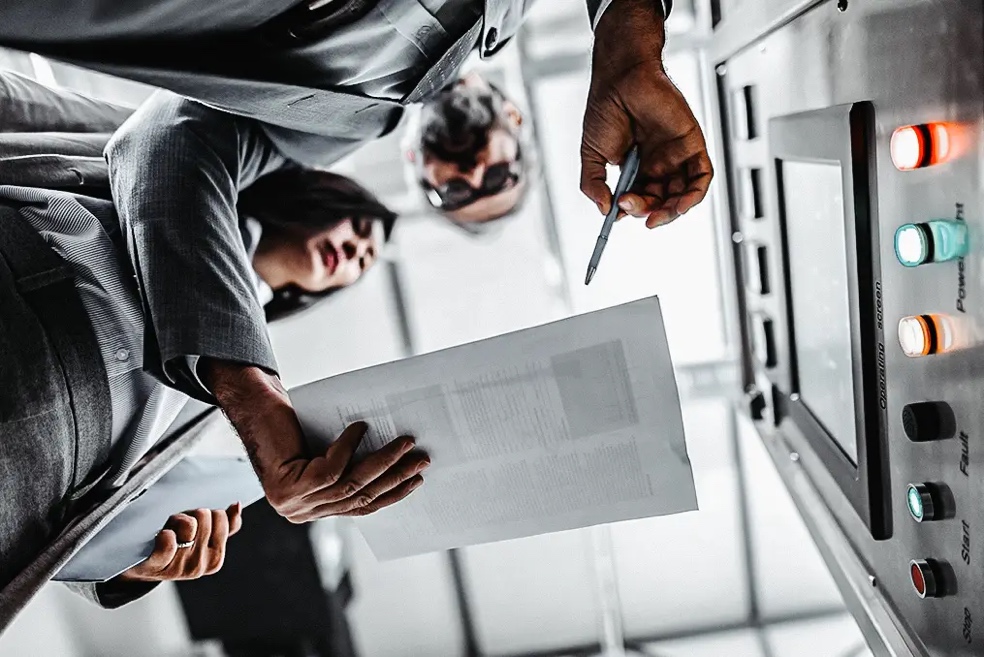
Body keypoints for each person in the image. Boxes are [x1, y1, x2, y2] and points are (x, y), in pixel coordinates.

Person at [0, 0, 712, 543]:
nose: (469, 169)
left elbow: (168, 144)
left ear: (420, 170)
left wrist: (127, 550)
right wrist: (631, 29)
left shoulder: (357, 99)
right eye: (491, 172)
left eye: (458, 191)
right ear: (519, 123)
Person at [0, 72, 411, 610]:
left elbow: (91, 508)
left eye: (362, 263)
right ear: (320, 192)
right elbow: (75, 115)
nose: (355, 253)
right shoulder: (194, 176)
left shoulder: (219, 391)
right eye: (358, 228)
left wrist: (131, 565)